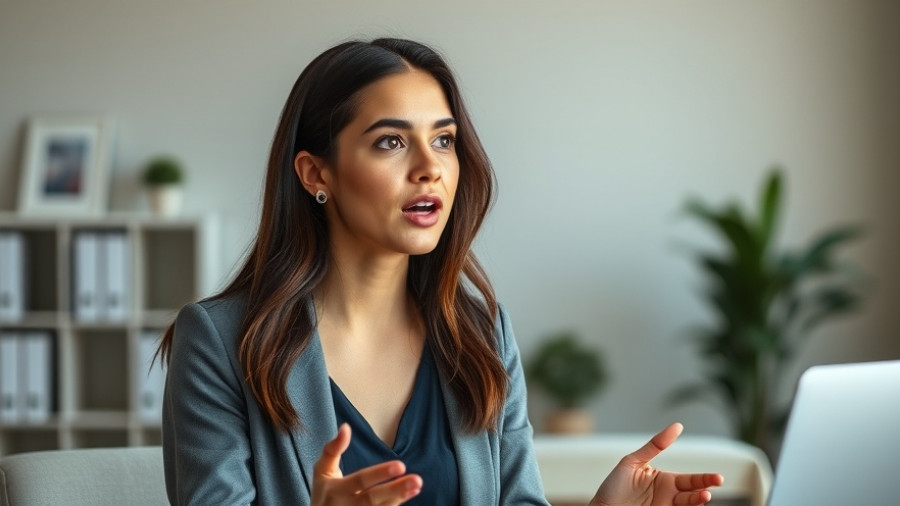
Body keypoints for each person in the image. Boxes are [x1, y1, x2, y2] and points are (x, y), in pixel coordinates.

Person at [157, 38, 724, 505]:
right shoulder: (222, 342)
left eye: (444, 140)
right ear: (314, 174)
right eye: (391, 141)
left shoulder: (480, 335)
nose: (430, 168)